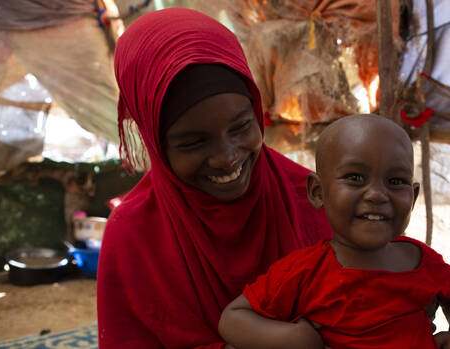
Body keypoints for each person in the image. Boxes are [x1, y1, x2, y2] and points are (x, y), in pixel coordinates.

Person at [97, 8, 332, 348]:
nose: (227, 158)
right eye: (193, 142)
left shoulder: (311, 199)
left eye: (241, 127)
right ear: (155, 141)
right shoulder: (133, 236)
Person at [219, 114, 450, 349]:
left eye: (396, 181)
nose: (377, 195)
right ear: (318, 192)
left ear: (414, 196)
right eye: (355, 177)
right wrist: (294, 338)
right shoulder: (305, 271)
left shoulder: (421, 260)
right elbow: (232, 319)